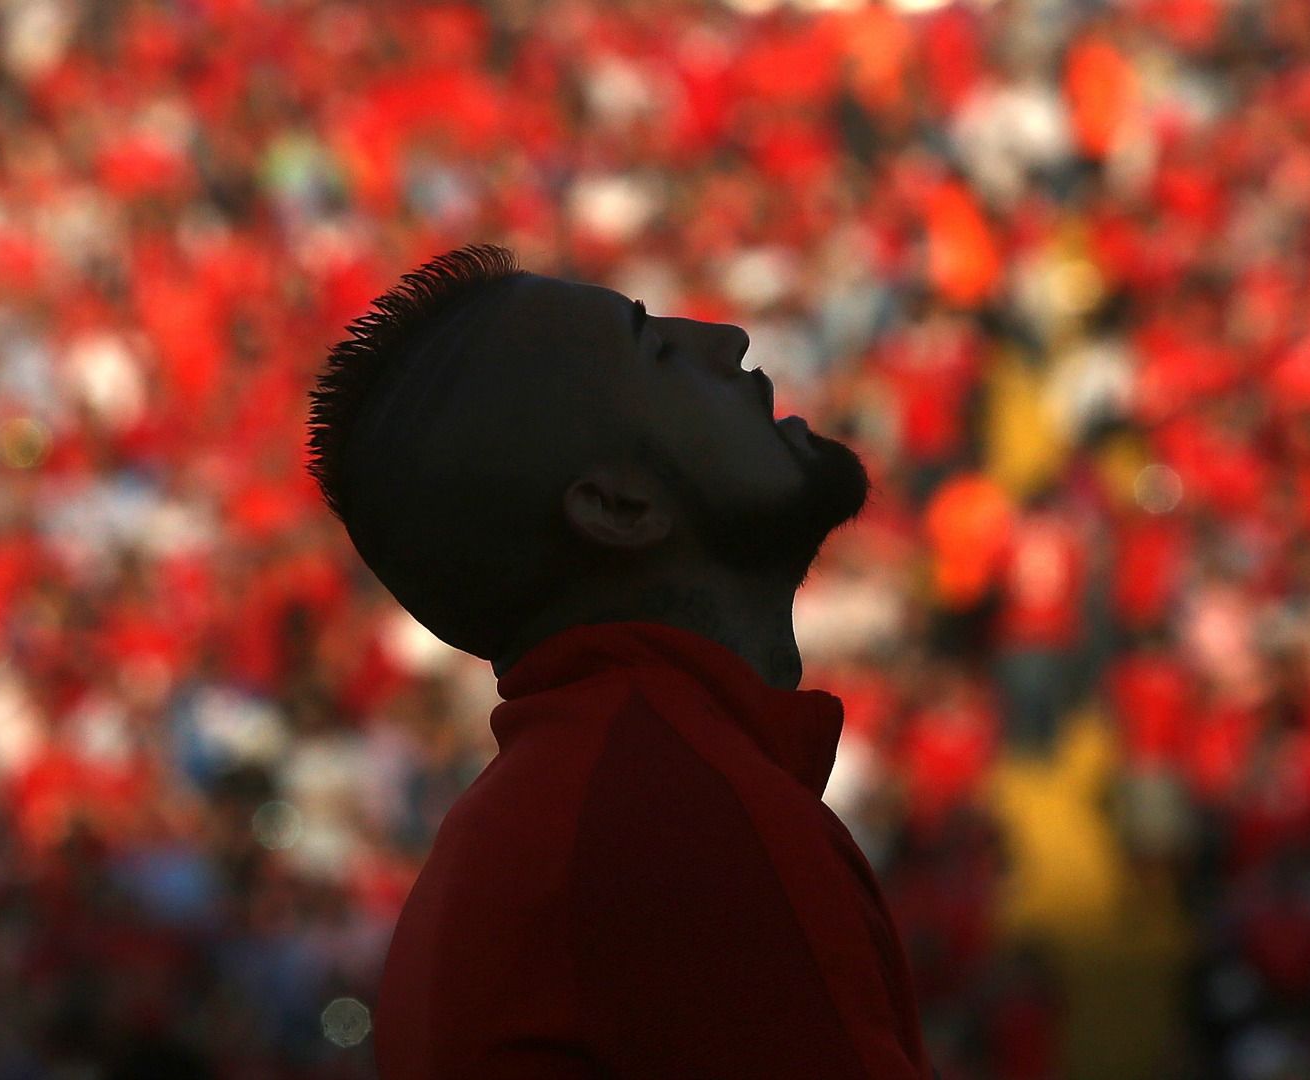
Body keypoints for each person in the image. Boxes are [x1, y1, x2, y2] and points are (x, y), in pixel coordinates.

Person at [306, 243, 938, 1078]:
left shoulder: (560, 809)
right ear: (619, 508)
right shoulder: (677, 816)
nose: (729, 341)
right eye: (661, 353)